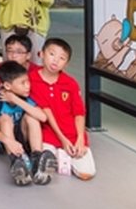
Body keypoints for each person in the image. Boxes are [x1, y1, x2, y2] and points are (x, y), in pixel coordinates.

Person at [0, 61, 57, 186]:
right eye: (23, 83)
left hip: (17, 135)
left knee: (32, 117)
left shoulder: (24, 96)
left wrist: (15, 99)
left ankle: (37, 159)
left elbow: (43, 117)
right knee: (5, 119)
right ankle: (17, 161)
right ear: (7, 85)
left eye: (28, 81)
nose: (27, 86)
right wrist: (8, 141)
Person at [30, 38, 96, 181]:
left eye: (62, 58)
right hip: (47, 133)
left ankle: (64, 156)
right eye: (52, 54)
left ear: (66, 64)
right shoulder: (31, 80)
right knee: (46, 161)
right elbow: (45, 112)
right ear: (41, 54)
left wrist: (80, 139)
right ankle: (60, 155)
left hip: (72, 133)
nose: (55, 61)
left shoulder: (70, 83)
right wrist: (63, 140)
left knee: (87, 174)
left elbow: (79, 113)